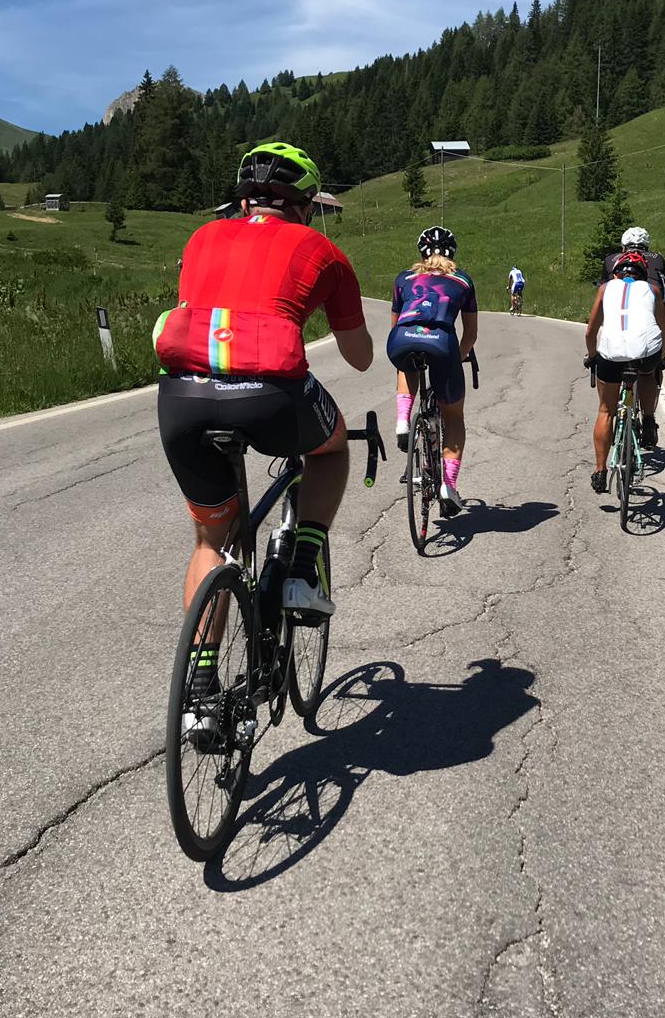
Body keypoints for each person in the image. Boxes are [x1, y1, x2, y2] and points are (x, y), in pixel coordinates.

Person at [155, 141, 373, 653]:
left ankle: (201, 690)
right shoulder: (323, 250)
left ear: (246, 198)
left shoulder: (203, 235)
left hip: (182, 395)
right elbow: (360, 357)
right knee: (334, 449)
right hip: (271, 392)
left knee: (212, 541)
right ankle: (302, 571)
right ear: (305, 202)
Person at [388, 226, 478, 517]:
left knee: (406, 360)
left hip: (401, 340)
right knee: (453, 417)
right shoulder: (463, 280)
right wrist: (457, 359)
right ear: (453, 252)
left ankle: (403, 419)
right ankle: (448, 487)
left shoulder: (404, 278)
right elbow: (470, 334)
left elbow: (395, 325)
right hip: (442, 343)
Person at [584, 249, 665, 493]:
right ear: (643, 274)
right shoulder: (652, 290)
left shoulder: (605, 289)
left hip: (611, 355)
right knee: (647, 372)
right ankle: (649, 418)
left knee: (606, 410)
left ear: (616, 273)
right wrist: (660, 358)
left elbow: (591, 331)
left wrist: (592, 357)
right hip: (644, 354)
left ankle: (600, 471)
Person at [601, 225, 665, 302]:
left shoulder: (610, 259)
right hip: (651, 303)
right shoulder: (658, 258)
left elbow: (603, 293)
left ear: (624, 247)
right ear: (646, 247)